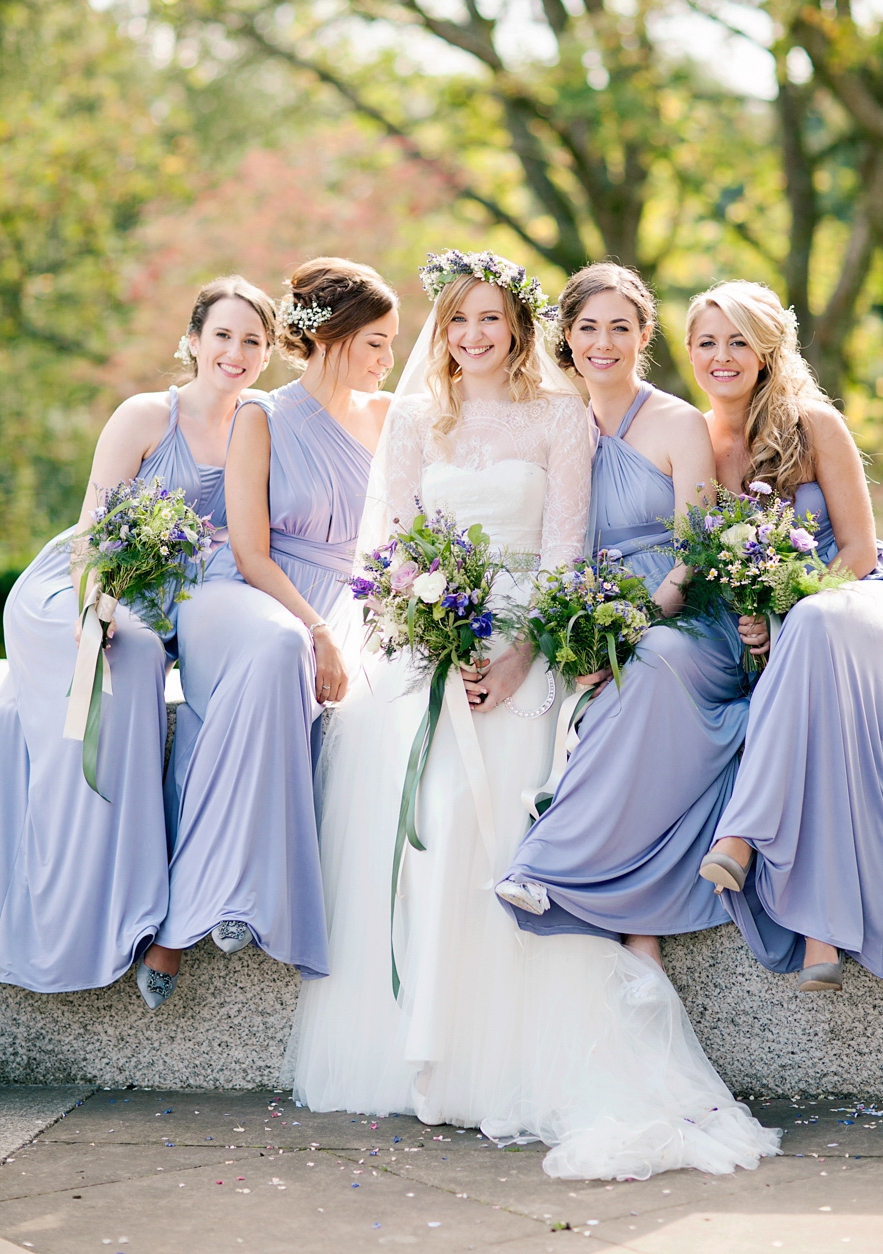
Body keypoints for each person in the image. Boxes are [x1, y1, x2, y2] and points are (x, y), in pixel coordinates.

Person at [287, 249, 779, 1182]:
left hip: (528, 641)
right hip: (429, 640)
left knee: (508, 801)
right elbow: (387, 539)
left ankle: (511, 1053)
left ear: (518, 329)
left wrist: (517, 654)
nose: (474, 336)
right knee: (417, 792)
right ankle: (421, 1046)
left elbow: (564, 554)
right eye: (459, 319)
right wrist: (428, 629)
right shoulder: (414, 419)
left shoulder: (559, 418)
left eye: (492, 320)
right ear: (444, 326)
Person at [0, 275, 274, 993]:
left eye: (252, 340)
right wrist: (97, 606)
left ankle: (146, 912)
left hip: (169, 603)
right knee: (131, 660)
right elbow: (92, 529)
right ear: (191, 341)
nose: (235, 351)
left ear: (269, 352)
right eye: (222, 335)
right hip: (82, 587)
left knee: (159, 651)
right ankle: (80, 903)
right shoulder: (147, 414)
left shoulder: (257, 427)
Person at [137, 257, 398, 1008]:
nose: (387, 361)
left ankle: (211, 907)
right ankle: (184, 922)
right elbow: (250, 551)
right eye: (376, 343)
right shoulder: (264, 416)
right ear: (336, 338)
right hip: (257, 592)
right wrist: (319, 630)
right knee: (275, 656)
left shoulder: (386, 419)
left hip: (356, 598)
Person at [691, 280, 883, 990]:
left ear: (769, 349)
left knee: (812, 624)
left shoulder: (813, 424)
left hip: (861, 605)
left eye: (739, 340)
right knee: (811, 684)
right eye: (708, 342)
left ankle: (742, 838)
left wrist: (789, 609)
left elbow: (861, 553)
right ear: (688, 351)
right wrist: (756, 618)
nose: (722, 356)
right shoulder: (694, 440)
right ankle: (819, 941)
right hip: (791, 634)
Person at [496, 263, 749, 965]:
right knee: (582, 693)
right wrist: (573, 632)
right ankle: (639, 925)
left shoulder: (676, 421)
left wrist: (638, 623)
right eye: (587, 328)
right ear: (566, 337)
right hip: (590, 616)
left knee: (650, 666)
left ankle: (550, 862)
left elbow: (697, 548)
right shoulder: (553, 420)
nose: (603, 343)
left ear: (643, 336)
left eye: (620, 327)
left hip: (683, 616)